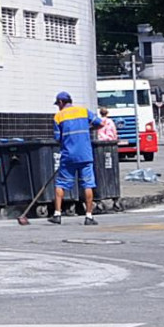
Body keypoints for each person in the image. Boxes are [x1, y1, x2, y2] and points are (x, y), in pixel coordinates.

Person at [49, 91, 103, 226]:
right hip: (85, 155)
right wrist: (88, 128)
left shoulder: (58, 116)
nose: (58, 107)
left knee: (61, 184)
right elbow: (100, 123)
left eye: (58, 105)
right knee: (88, 184)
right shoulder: (84, 111)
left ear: (61, 102)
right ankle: (89, 216)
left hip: (68, 156)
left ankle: (57, 214)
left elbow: (57, 138)